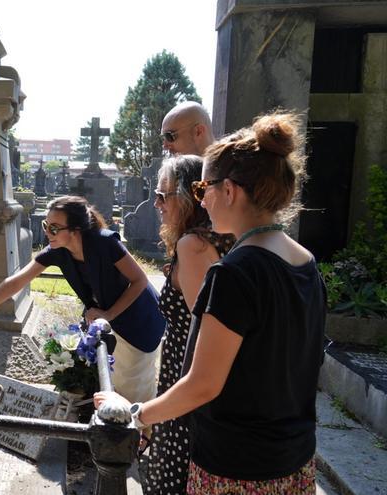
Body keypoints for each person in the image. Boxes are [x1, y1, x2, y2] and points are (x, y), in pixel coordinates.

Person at [95, 110, 325, 494]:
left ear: (230, 190)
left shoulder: (234, 273)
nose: (201, 203)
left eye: (203, 191)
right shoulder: (305, 261)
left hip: (237, 467)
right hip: (294, 459)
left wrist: (135, 415)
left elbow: (203, 384)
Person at [0, 196, 165, 404]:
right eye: (46, 225)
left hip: (139, 322)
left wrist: (108, 314)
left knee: (135, 396)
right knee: (109, 390)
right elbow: (16, 282)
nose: (47, 233)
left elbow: (139, 280)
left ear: (75, 230)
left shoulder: (105, 242)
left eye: (54, 228)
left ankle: (145, 438)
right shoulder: (58, 251)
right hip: (106, 325)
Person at [142, 154, 234, 494]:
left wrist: (149, 413)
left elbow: (204, 333)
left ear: (187, 196)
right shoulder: (215, 238)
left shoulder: (194, 247)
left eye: (163, 195)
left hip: (188, 391)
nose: (157, 203)